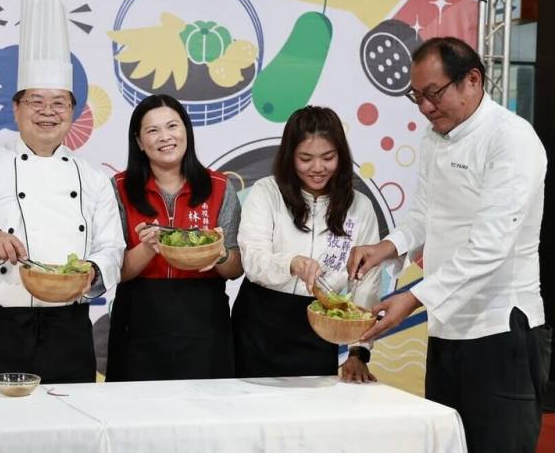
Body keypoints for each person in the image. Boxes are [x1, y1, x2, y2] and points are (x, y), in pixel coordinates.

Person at [348, 36, 550, 453]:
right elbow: (425, 213)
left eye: (433, 94)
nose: (425, 107)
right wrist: (385, 247)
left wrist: (412, 298)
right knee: (447, 445)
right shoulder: (435, 136)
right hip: (447, 328)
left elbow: (490, 247)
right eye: (416, 96)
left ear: (473, 80)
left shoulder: (511, 140)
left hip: (499, 329)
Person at [0, 0, 124, 386]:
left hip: (68, 330)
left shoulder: (92, 177)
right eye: (35, 101)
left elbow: (112, 248)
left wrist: (91, 270)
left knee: (69, 435)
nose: (47, 112)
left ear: (72, 112)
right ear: (16, 107)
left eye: (59, 103)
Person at [232, 105, 380, 382]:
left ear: (341, 156)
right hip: (259, 323)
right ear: (290, 157)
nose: (317, 168)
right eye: (305, 158)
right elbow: (252, 258)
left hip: (320, 328)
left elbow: (366, 283)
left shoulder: (360, 207)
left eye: (328, 157)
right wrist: (291, 263)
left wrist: (359, 352)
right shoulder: (267, 192)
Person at [105, 94, 243, 381]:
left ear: (186, 132)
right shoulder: (118, 187)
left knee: (204, 414)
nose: (165, 137)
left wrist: (218, 253)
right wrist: (147, 247)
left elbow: (234, 269)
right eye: (153, 130)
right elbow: (117, 271)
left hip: (203, 319)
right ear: (140, 142)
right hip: (138, 317)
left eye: (172, 126)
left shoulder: (219, 186)